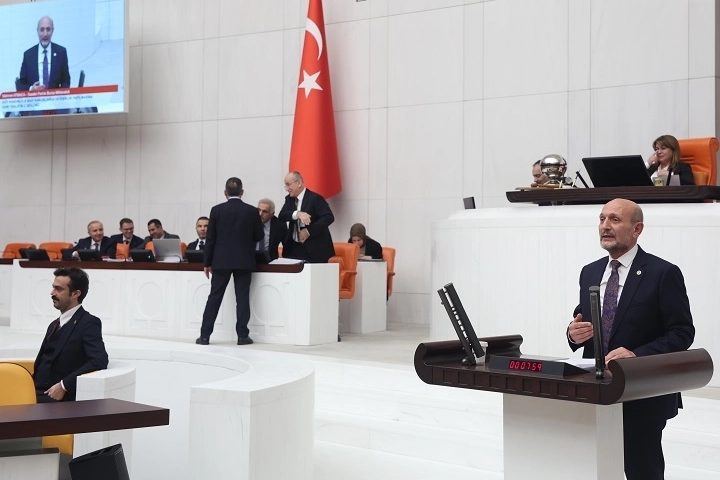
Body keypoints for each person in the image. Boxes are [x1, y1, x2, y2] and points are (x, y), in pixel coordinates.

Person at [566, 198, 695, 480]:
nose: (605, 226)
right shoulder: (590, 271)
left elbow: (682, 332)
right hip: (597, 388)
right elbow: (583, 320)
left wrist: (637, 355)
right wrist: (573, 334)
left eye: (614, 219)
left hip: (643, 392)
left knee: (641, 471)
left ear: (637, 229)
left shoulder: (663, 273)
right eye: (602, 219)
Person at [196, 178, 264, 346]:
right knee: (242, 298)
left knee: (214, 297)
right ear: (242, 192)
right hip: (244, 260)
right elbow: (259, 235)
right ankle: (242, 336)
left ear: (225, 193)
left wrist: (207, 262)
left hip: (221, 261)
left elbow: (210, 239)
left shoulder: (216, 210)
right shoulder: (251, 211)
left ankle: (204, 336)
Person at [34, 267, 109, 402]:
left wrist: (64, 385)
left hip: (55, 398)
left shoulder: (89, 323)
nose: (52, 293)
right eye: (53, 287)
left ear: (75, 294)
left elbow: (99, 360)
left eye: (59, 289)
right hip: (34, 391)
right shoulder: (53, 325)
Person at [278, 171, 335, 263]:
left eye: (288, 185)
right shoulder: (289, 199)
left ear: (299, 183)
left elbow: (328, 217)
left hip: (314, 249)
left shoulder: (315, 198)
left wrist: (308, 231)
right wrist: (297, 214)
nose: (286, 189)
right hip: (294, 249)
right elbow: (282, 216)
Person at [17, 16, 71, 91]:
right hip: (34, 97)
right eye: (42, 30)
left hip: (55, 97)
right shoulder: (28, 55)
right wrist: (31, 89)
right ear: (37, 31)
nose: (45, 34)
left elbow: (66, 81)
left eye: (48, 29)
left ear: (52, 31)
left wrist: (59, 95)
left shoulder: (61, 53)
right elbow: (21, 83)